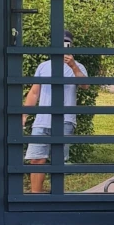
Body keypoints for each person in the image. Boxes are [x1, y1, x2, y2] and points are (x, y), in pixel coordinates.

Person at [23, 32, 88, 193]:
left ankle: (56, 197)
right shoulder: (43, 66)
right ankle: (36, 196)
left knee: (58, 162)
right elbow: (34, 93)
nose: (64, 46)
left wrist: (73, 66)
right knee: (37, 159)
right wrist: (24, 115)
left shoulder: (78, 67)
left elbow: (85, 86)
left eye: (67, 43)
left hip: (65, 120)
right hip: (41, 121)